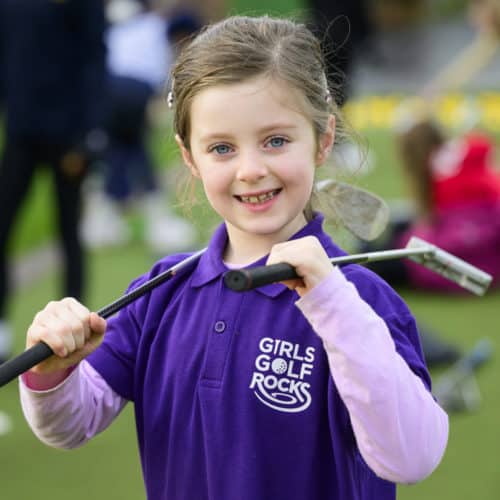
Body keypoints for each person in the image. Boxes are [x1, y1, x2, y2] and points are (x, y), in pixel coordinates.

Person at [19, 16, 448, 500]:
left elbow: (412, 456)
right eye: (222, 148)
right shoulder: (160, 292)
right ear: (189, 157)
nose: (250, 170)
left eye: (277, 140)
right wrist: (53, 372)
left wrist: (333, 305)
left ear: (324, 139)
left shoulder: (362, 301)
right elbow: (70, 424)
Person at [0, 0, 108, 363]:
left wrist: (89, 134)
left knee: (69, 232)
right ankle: (1, 332)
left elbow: (95, 59)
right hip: (21, 132)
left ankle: (74, 333)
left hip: (69, 135)